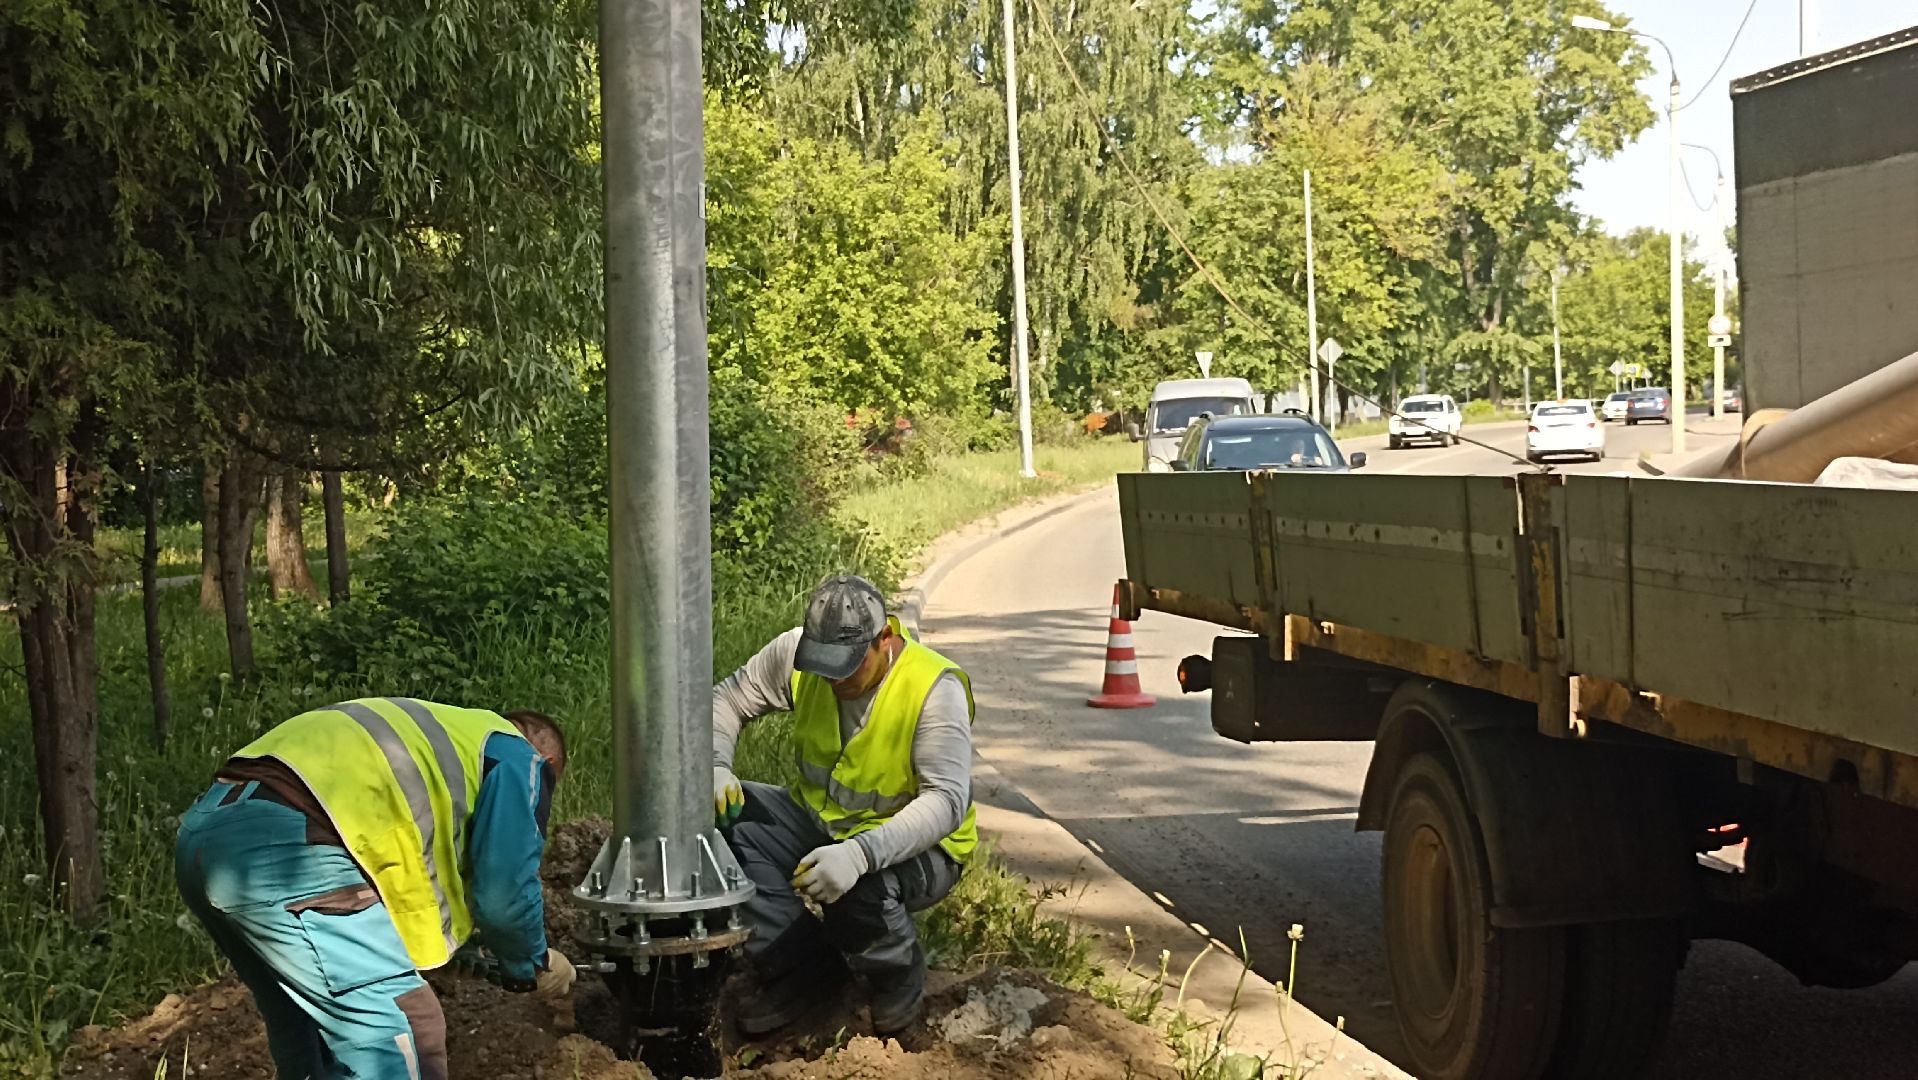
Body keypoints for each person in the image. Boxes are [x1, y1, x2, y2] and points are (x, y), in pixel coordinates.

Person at [175, 698, 575, 1080]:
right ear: (549, 762)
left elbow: (395, 880)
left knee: (308, 1030)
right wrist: (533, 962)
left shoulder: (442, 743)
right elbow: (504, 894)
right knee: (403, 1024)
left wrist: (465, 954)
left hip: (206, 834)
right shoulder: (521, 759)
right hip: (285, 841)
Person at [712, 574, 977, 1036]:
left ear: (885, 640)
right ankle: (803, 972)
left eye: (848, 667)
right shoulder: (794, 655)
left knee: (859, 891)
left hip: (920, 849)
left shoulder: (933, 689)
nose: (834, 680)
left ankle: (895, 985)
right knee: (724, 822)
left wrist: (859, 854)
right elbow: (726, 700)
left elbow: (946, 800)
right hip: (821, 824)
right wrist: (715, 766)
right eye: (825, 665)